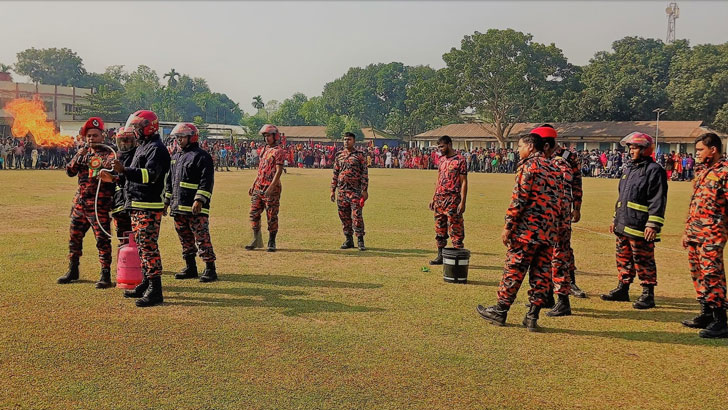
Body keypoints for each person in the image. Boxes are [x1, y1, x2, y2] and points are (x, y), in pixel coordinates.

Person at [476, 133, 562, 331]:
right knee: (541, 275)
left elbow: (519, 199)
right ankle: (532, 316)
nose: (518, 150)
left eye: (520, 146)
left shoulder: (529, 166)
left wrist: (508, 226)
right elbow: (561, 201)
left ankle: (500, 310)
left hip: (526, 231)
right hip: (548, 232)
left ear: (531, 147)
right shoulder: (555, 168)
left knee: (514, 271)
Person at [106, 110, 171, 307]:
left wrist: (124, 170)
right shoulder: (143, 147)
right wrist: (116, 177)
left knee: (149, 248)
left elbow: (149, 176)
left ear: (147, 127)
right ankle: (146, 282)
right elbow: (132, 177)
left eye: (137, 128)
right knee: (142, 247)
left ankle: (155, 290)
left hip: (148, 205)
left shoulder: (157, 149)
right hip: (136, 203)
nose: (134, 132)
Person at [602, 132, 667, 309]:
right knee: (623, 258)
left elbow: (658, 200)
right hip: (624, 223)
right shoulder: (629, 169)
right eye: (630, 147)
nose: (631, 150)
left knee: (643, 260)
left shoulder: (654, 171)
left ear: (646, 149)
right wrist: (615, 218)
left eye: (635, 147)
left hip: (640, 226)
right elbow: (622, 196)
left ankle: (648, 294)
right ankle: (623, 289)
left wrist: (653, 224)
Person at [57, 117, 116, 288]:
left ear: (102, 136)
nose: (91, 139)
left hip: (99, 204)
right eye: (89, 136)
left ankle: (105, 274)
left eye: (95, 135)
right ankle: (73, 270)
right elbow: (69, 171)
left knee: (102, 240)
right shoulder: (83, 152)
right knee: (74, 237)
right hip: (81, 203)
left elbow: (113, 172)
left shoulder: (110, 153)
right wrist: (79, 156)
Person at [682, 133, 728, 338]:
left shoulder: (725, 173)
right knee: (698, 273)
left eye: (700, 150)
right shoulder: (702, 172)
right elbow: (695, 204)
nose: (697, 154)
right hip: (695, 232)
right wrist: (687, 230)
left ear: (713, 149)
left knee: (712, 274)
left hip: (712, 233)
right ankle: (706, 313)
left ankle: (721, 320)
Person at [163, 123, 217, 282]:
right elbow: (170, 182)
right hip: (178, 207)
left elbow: (206, 181)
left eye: (182, 137)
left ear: (191, 137)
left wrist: (199, 199)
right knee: (184, 238)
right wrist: (166, 201)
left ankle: (210, 269)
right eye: (177, 137)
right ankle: (190, 267)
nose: (179, 140)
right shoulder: (175, 157)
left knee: (202, 238)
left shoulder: (202, 156)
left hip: (195, 208)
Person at [428, 135, 468, 265]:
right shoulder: (441, 160)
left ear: (449, 144)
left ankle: (457, 257)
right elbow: (439, 179)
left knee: (455, 228)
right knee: (439, 228)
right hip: (440, 199)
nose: (440, 149)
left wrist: (463, 201)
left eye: (442, 146)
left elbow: (464, 182)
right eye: (439, 147)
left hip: (453, 199)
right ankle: (440, 255)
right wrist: (434, 197)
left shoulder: (460, 160)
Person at [245, 124, 284, 252]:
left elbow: (279, 171)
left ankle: (271, 241)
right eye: (265, 136)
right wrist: (253, 184)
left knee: (271, 215)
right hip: (258, 186)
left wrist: (272, 187)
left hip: (271, 188)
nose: (267, 138)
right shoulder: (264, 150)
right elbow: (261, 170)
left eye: (269, 136)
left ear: (275, 136)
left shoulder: (278, 151)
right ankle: (256, 238)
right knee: (253, 213)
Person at [331, 132, 369, 251]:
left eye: (349, 139)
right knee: (344, 216)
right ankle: (348, 239)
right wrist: (332, 189)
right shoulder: (339, 155)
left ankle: (360, 240)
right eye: (345, 139)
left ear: (354, 141)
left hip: (355, 191)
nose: (347, 141)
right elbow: (335, 173)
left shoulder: (360, 155)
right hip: (342, 191)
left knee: (356, 216)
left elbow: (364, 173)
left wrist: (364, 190)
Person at [109, 127, 136, 247]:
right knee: (122, 237)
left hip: (134, 203)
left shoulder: (138, 155)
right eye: (122, 140)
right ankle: (125, 264)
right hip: (118, 203)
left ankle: (137, 264)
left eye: (128, 140)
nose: (125, 143)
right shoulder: (114, 156)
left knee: (137, 237)